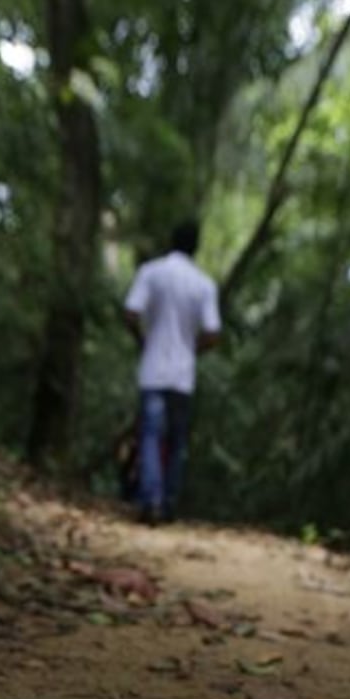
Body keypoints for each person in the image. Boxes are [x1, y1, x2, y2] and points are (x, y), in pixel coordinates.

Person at [123, 220, 221, 523]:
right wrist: (192, 350)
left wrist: (143, 340)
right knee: (177, 440)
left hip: (153, 370)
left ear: (171, 240)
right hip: (182, 375)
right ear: (196, 247)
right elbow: (213, 333)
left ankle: (150, 500)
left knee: (151, 436)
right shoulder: (204, 284)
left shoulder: (152, 272)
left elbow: (131, 312)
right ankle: (168, 502)